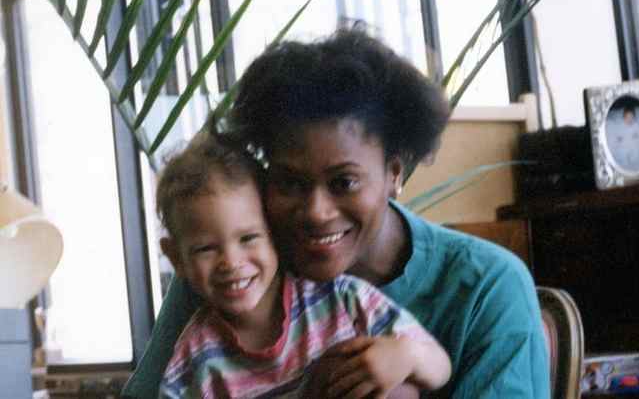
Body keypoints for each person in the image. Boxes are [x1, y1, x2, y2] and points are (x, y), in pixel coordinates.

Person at [122, 29, 549, 398]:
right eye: (290, 182)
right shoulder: (234, 269)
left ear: (394, 172)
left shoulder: (485, 287)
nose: (316, 212)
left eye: (344, 182)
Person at [155, 133, 451, 398]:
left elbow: (439, 366)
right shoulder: (194, 360)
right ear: (176, 258)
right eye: (206, 249)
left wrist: (406, 355)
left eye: (248, 238)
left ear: (274, 231)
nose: (231, 262)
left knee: (399, 390)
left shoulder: (342, 299)